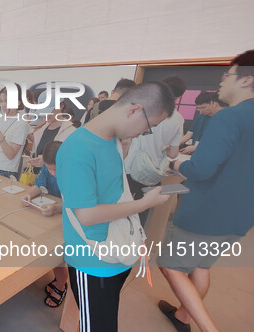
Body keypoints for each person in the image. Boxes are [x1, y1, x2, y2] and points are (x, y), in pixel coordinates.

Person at [57, 82, 175, 331]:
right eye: (149, 126)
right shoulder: (77, 148)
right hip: (93, 260)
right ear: (134, 110)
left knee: (105, 319)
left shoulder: (112, 139)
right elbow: (87, 216)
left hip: (116, 252)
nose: (145, 132)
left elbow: (114, 194)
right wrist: (144, 204)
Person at [157, 48, 254, 332]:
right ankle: (182, 317)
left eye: (228, 75)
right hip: (242, 218)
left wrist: (177, 163)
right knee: (200, 266)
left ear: (247, 80)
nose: (222, 81)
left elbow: (201, 169)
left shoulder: (229, 117)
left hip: (207, 213)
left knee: (171, 266)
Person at [124, 75, 186, 223]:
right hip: (152, 171)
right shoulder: (178, 119)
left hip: (129, 166)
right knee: (143, 209)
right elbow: (173, 153)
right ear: (179, 95)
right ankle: (137, 242)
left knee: (122, 206)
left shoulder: (142, 109)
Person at [21, 141, 69, 308]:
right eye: (49, 168)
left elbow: (79, 205)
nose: (52, 173)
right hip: (51, 214)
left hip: (68, 218)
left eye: (55, 169)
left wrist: (56, 208)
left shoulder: (75, 171)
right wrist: (29, 194)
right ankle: (59, 280)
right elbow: (40, 184)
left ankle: (62, 286)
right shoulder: (48, 167)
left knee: (58, 257)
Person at [0, 84, 30, 178]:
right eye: (1, 101)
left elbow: (10, 154)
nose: (3, 104)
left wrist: (0, 137)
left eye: (7, 101)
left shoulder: (21, 123)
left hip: (7, 171)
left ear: (18, 102)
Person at [27, 101, 80, 169]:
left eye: (49, 110)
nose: (46, 115)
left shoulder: (71, 132)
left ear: (61, 106)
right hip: (38, 176)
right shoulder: (41, 131)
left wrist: (48, 162)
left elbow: (71, 160)